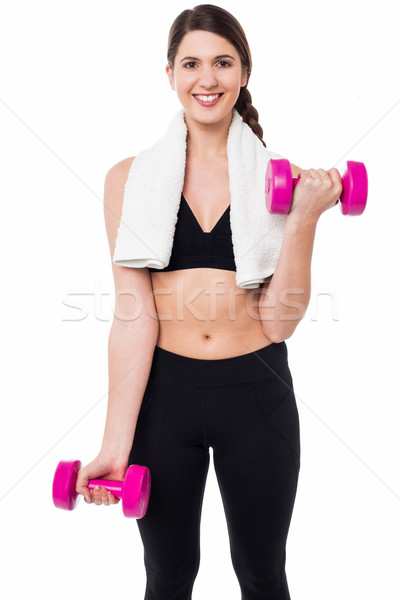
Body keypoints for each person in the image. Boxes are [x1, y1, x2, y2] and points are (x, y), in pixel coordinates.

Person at [76, 4, 342, 599]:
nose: (207, 78)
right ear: (168, 73)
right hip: (164, 400)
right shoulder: (128, 179)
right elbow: (132, 315)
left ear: (244, 72)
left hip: (256, 393)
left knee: (262, 573)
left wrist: (303, 219)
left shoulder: (286, 180)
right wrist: (113, 446)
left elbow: (280, 322)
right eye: (191, 63)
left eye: (223, 62)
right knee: (166, 577)